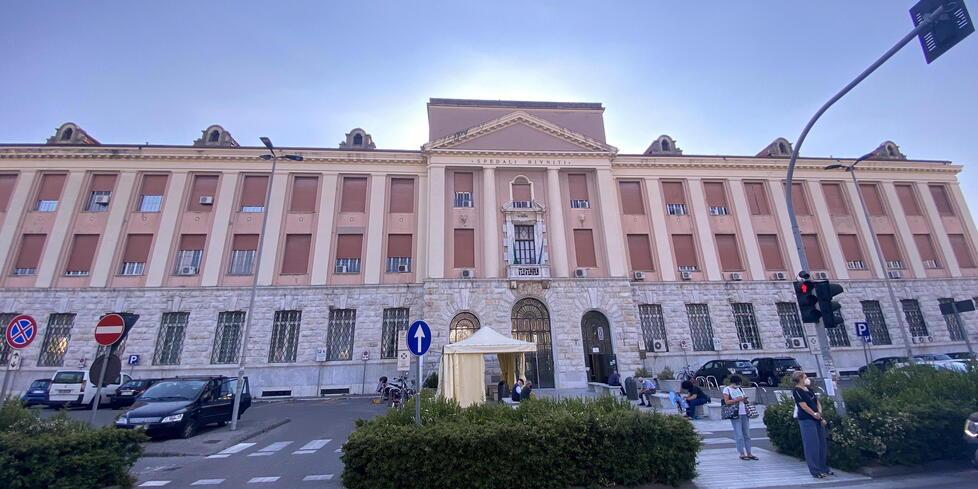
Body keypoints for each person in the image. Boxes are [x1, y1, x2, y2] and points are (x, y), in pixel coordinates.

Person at [792, 371, 833, 479]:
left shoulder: (808, 389)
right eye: (805, 377)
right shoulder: (797, 391)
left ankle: (823, 467)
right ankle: (815, 470)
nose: (807, 379)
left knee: (821, 444)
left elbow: (817, 401)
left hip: (817, 419)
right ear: (800, 378)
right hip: (807, 420)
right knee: (812, 445)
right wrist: (813, 414)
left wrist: (819, 413)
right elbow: (803, 406)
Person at [722, 375, 757, 461]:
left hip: (744, 412)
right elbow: (727, 402)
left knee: (747, 434)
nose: (738, 385)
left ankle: (749, 453)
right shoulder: (727, 389)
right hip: (735, 414)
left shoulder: (740, 389)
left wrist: (744, 400)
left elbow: (744, 400)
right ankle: (742, 453)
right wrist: (738, 399)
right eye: (737, 383)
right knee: (739, 434)